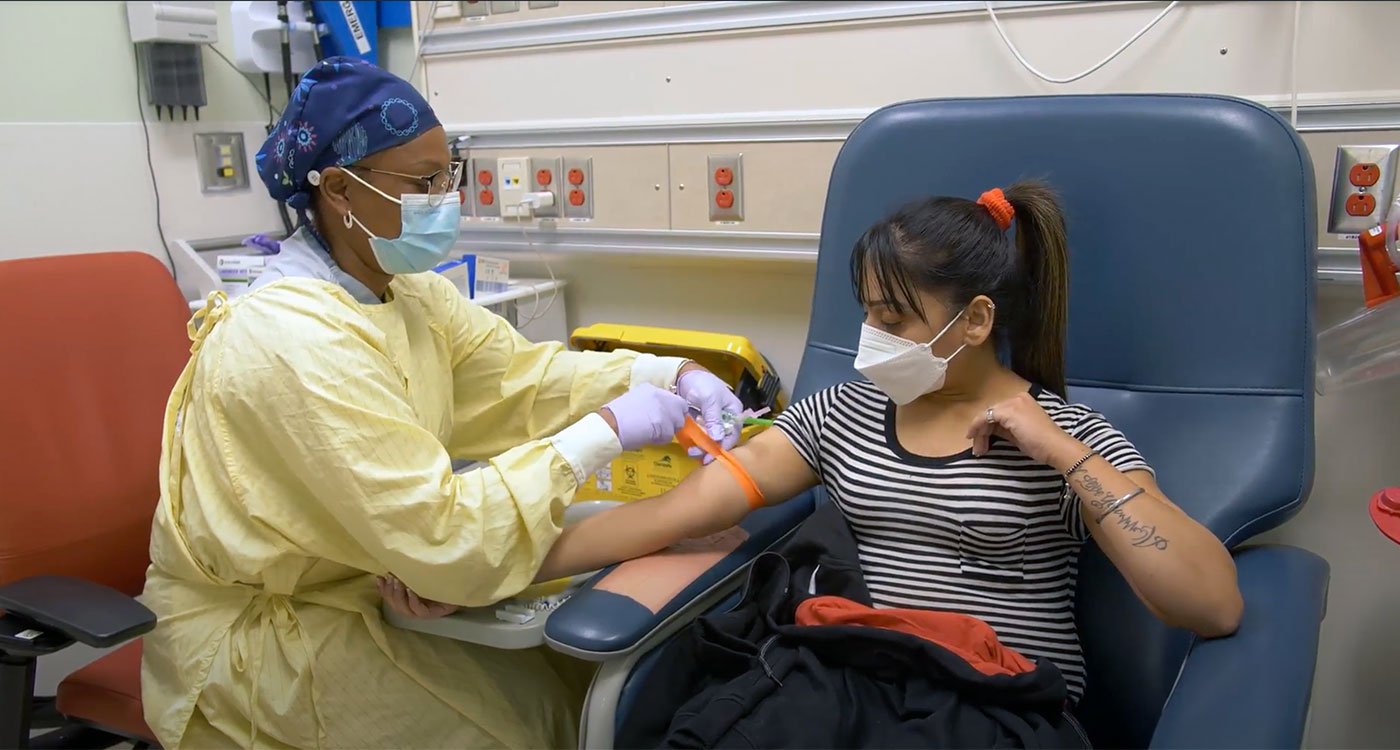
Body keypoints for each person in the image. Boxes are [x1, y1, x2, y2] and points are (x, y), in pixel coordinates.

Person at [394, 181, 1244, 709]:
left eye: (895, 317)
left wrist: (1060, 453)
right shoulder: (847, 413)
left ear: (976, 319)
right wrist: (483, 564)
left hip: (995, 703)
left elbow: (1210, 603)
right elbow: (674, 512)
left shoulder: (1073, 439)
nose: (871, 336)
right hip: (859, 680)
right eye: (867, 311)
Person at [139, 57, 745, 750]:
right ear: (339, 189)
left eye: (447, 174)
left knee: (586, 685)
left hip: (366, 579)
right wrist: (602, 434)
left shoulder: (407, 294)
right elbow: (444, 541)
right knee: (532, 729)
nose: (446, 199)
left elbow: (521, 379)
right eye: (423, 183)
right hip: (269, 639)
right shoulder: (290, 340)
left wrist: (664, 373)